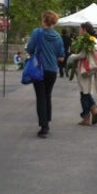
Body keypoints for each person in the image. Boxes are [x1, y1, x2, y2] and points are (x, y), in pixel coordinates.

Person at [25, 10, 65, 138]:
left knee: (40, 97)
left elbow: (30, 49)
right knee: (48, 95)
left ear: (43, 20)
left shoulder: (37, 33)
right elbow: (61, 57)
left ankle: (44, 127)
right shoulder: (58, 37)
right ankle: (47, 120)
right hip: (52, 70)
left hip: (40, 69)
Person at [68, 21, 97, 126]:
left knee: (84, 93)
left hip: (83, 69)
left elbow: (83, 54)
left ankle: (89, 114)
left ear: (84, 29)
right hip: (92, 69)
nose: (79, 31)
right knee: (86, 92)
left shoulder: (86, 40)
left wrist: (72, 56)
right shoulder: (96, 41)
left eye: (80, 29)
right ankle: (91, 111)